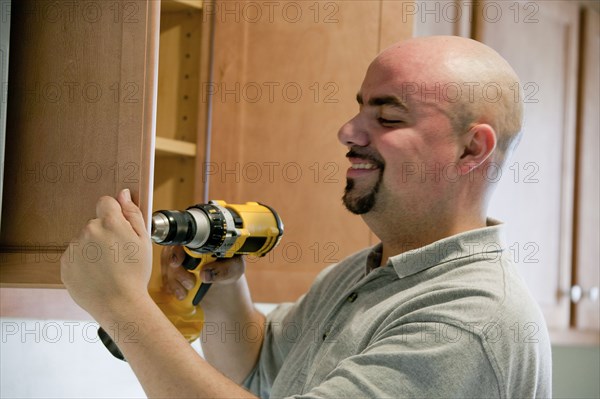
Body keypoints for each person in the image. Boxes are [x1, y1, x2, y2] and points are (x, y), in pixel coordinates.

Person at [61, 35, 552, 398]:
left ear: (472, 148)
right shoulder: (368, 274)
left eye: (388, 117)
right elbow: (256, 372)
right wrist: (222, 287)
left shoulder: (470, 319)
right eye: (359, 109)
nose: (347, 131)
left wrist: (122, 305)